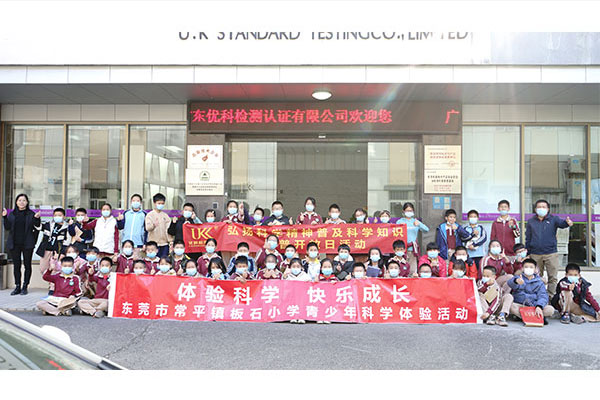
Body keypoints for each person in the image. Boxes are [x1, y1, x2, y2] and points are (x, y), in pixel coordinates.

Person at [525, 199, 573, 298]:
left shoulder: (553, 219)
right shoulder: (531, 221)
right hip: (535, 254)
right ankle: (538, 297)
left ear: (548, 209)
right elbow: (528, 237)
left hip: (551, 253)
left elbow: (562, 224)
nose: (541, 209)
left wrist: (567, 223)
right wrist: (528, 253)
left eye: (543, 207)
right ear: (535, 209)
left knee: (552, 277)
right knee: (536, 277)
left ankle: (551, 297)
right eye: (539, 207)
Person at [3, 194, 41, 295]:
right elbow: (7, 227)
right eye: (19, 200)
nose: (21, 202)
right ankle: (17, 286)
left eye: (24, 200)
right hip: (14, 244)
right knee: (17, 266)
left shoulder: (31, 214)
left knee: (27, 265)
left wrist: (37, 218)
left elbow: (37, 225)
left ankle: (25, 286)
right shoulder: (12, 214)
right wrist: (4, 217)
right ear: (16, 202)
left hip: (27, 243)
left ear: (27, 202)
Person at [507, 258, 555, 324]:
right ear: (522, 269)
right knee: (511, 307)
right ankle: (536, 318)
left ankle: (523, 317)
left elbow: (543, 295)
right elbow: (510, 283)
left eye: (531, 267)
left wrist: (539, 306)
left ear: (535, 269)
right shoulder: (519, 278)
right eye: (526, 267)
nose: (528, 269)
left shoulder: (539, 282)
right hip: (521, 305)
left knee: (550, 310)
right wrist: (516, 281)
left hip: (534, 306)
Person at [36, 207, 70, 282]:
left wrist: (62, 253)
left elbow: (66, 242)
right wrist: (37, 219)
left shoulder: (67, 228)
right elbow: (38, 227)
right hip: (46, 250)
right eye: (55, 215)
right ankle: (51, 283)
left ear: (64, 217)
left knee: (56, 269)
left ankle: (53, 286)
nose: (57, 217)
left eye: (59, 215)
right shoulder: (49, 225)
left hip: (57, 252)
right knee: (43, 269)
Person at [397, 202, 429, 272]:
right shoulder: (400, 221)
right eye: (407, 211)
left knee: (412, 269)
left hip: (413, 249)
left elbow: (426, 230)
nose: (409, 212)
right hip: (402, 249)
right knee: (402, 269)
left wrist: (419, 225)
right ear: (403, 211)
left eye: (410, 211)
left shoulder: (415, 221)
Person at [145, 193, 172, 258]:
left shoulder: (165, 216)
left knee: (164, 260)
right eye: (159, 203)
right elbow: (148, 228)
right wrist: (154, 225)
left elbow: (168, 229)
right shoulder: (150, 215)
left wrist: (171, 241)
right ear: (154, 203)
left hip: (164, 244)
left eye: (162, 203)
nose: (161, 205)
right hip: (153, 244)